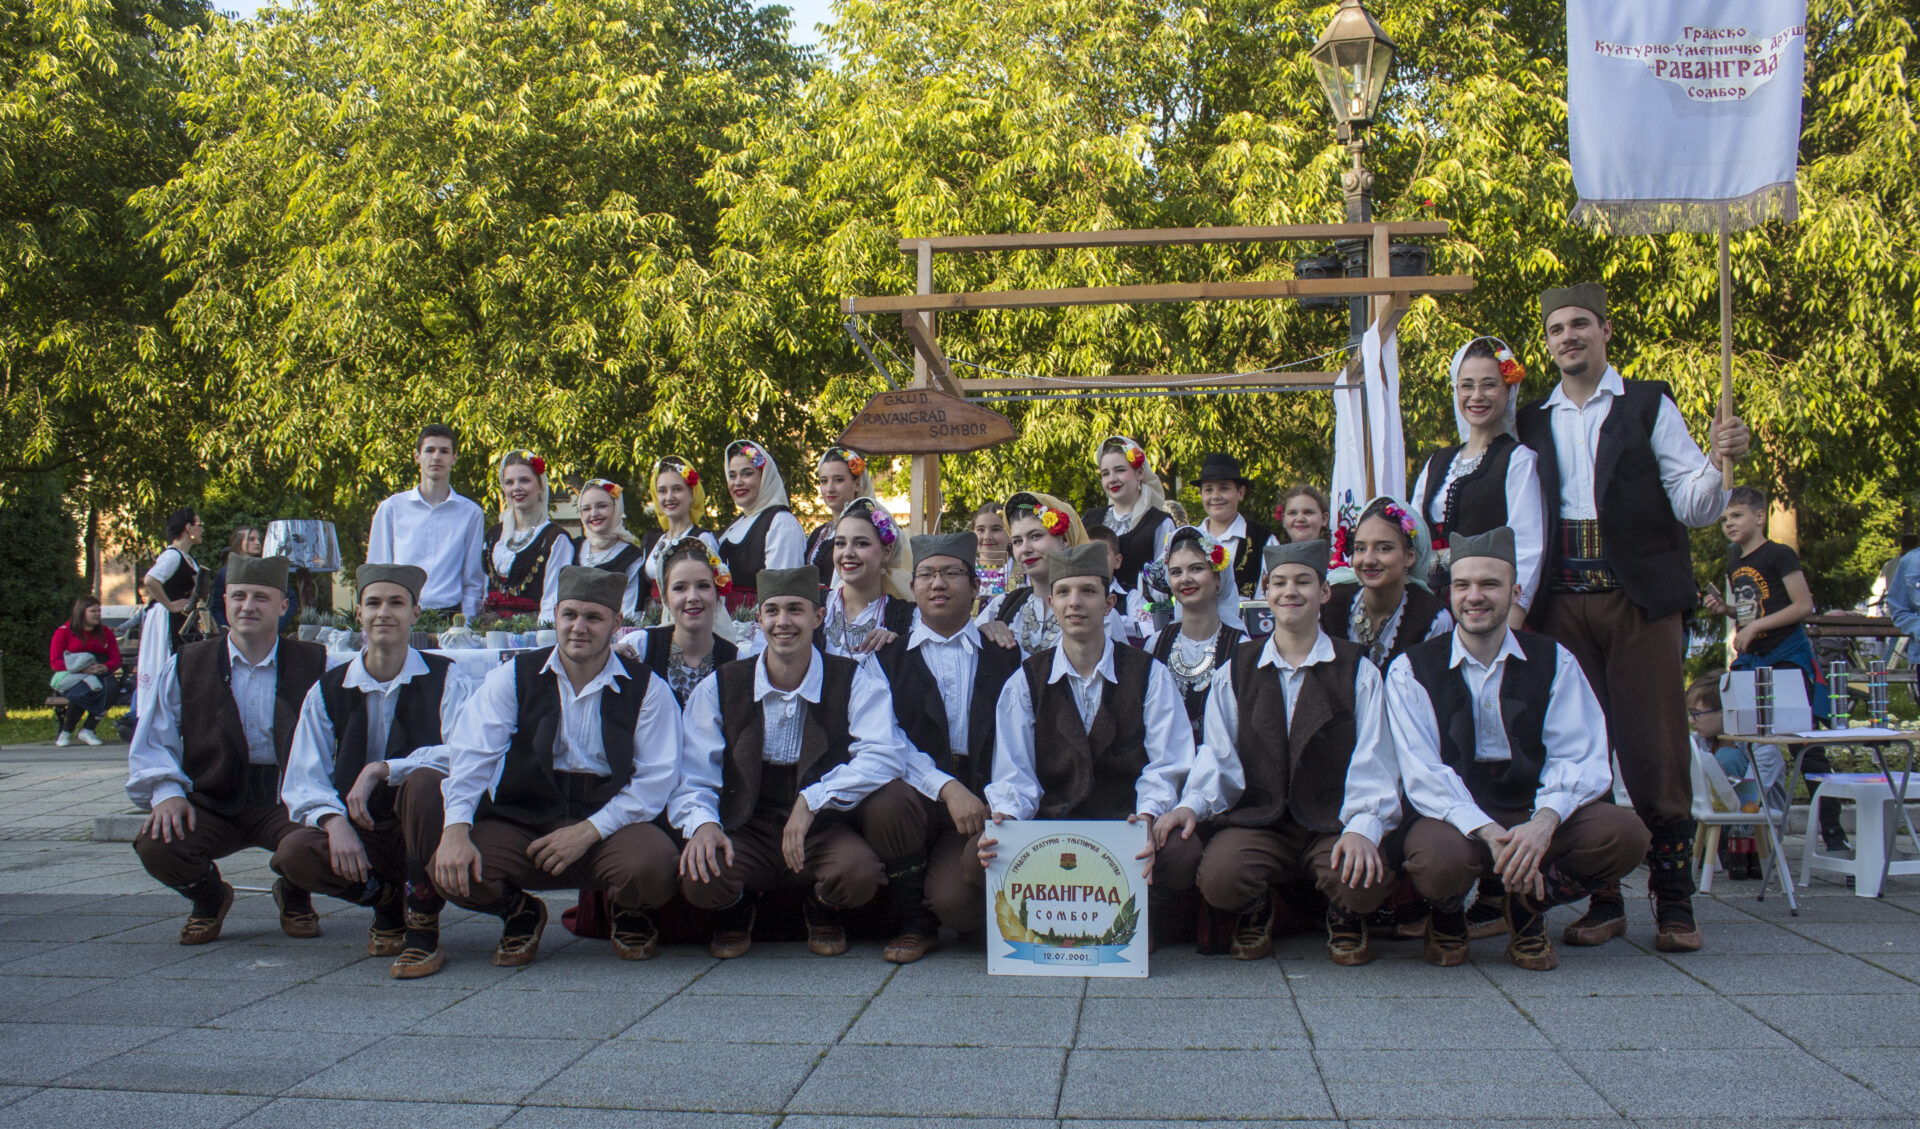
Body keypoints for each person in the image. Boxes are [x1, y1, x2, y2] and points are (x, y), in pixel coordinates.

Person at [1515, 281, 1750, 953]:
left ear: (1605, 330)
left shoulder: (1647, 402)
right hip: (1561, 604)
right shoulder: (1531, 421)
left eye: (1580, 324)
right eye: (1557, 328)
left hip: (1638, 599)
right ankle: (1603, 899)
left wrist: (1723, 463)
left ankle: (1675, 903)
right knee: (1578, 748)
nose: (1568, 336)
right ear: (1548, 342)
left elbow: (1695, 504)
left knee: (1655, 747)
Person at [1387, 527, 1652, 971]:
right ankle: (1447, 913)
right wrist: (1488, 832)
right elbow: (1423, 771)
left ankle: (1528, 903)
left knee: (1624, 835)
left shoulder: (1555, 660)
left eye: (1490, 584)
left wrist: (1544, 824)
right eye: (1463, 585)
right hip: (1454, 813)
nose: (1475, 596)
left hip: (1532, 804)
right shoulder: (1411, 669)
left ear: (1514, 591)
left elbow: (1578, 755)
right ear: (1450, 593)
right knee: (1436, 861)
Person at [432, 566, 685, 968]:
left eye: (593, 617)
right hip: (527, 818)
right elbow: (472, 756)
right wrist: (456, 829)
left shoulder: (647, 688)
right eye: (570, 615)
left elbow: (656, 780)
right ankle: (519, 912)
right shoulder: (513, 677)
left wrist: (588, 831)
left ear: (616, 623)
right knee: (450, 867)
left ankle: (629, 910)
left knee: (654, 864)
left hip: (609, 823)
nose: (578, 627)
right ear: (555, 616)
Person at [671, 567, 919, 959]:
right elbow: (694, 772)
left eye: (795, 610)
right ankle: (735, 909)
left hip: (820, 828)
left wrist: (812, 800)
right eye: (772, 611)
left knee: (858, 874)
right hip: (747, 826)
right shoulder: (721, 685)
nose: (783, 622)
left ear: (818, 617)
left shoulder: (852, 679)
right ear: (759, 619)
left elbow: (885, 754)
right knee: (700, 874)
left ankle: (821, 906)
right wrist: (703, 823)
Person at [975, 543, 1205, 944]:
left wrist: (1147, 817)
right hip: (1052, 825)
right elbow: (1015, 772)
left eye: (1088, 591)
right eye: (1063, 592)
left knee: (1182, 851)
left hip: (1125, 823)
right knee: (975, 859)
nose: (1075, 603)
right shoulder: (1026, 681)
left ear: (1109, 602)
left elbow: (1168, 762)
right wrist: (1006, 822)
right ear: (1051, 602)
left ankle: (1146, 918)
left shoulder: (1149, 674)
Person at [1191, 539, 1401, 964]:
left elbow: (1375, 758)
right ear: (1266, 592)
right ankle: (1257, 908)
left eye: (1303, 582)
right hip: (1262, 822)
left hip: (1331, 822)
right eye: (1280, 582)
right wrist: (1191, 807)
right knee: (1219, 877)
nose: (1291, 592)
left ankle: (1343, 914)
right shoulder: (1236, 670)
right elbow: (1219, 760)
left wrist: (1363, 827)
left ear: (1324, 592)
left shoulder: (1357, 671)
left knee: (1363, 881)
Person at [274, 564, 469, 977]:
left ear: (415, 613)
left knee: (424, 782)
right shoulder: (328, 688)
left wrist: (383, 769)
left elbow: (466, 754)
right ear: (359, 612)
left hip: (423, 829)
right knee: (294, 853)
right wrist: (333, 822)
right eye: (374, 603)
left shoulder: (446, 677)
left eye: (396, 603)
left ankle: (423, 925)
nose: (384, 612)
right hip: (362, 830)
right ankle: (386, 902)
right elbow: (304, 775)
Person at [126, 554, 328, 944]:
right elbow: (154, 739)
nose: (247, 606)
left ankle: (295, 893)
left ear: (283, 606)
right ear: (225, 602)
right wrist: (167, 793)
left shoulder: (316, 662)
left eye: (261, 597)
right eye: (238, 596)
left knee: (319, 842)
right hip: (212, 795)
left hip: (287, 797)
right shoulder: (187, 663)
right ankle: (209, 897)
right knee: (158, 844)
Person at [872, 532, 1023, 961]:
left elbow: (1020, 738)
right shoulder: (886, 655)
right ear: (913, 586)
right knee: (886, 803)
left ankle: (946, 907)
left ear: (975, 586)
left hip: (981, 796)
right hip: (917, 796)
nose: (938, 583)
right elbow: (885, 739)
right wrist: (945, 787)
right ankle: (913, 922)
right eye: (927, 574)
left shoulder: (1005, 652)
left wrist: (996, 799)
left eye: (951, 573)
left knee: (958, 906)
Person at [1701, 485, 1845, 851]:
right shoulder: (1734, 563)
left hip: (1786, 655)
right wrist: (1727, 610)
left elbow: (1802, 605)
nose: (1729, 524)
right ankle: (1743, 830)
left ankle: (1834, 834)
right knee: (1740, 736)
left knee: (1803, 744)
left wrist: (1755, 627)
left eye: (1736, 515)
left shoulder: (1780, 554)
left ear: (1759, 516)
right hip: (1753, 659)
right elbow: (1752, 609)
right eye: (1724, 519)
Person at [1411, 337, 1546, 628]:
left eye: (1489, 385)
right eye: (1467, 385)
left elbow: (1527, 547)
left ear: (1508, 390)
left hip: (1485, 607)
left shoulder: (1517, 460)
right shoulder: (1437, 461)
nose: (1477, 395)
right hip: (1429, 608)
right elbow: (1412, 534)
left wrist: (1512, 621)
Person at [978, 492, 1126, 655]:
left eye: (1036, 536)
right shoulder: (1003, 606)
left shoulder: (1099, 614)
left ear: (1065, 541)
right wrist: (983, 632)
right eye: (1017, 541)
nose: (1025, 549)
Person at [366, 423, 487, 618]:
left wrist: (467, 624)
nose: (436, 457)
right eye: (430, 450)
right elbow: (377, 572)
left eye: (444, 451)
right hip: (400, 613)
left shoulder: (471, 513)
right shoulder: (392, 508)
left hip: (450, 615)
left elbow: (472, 578)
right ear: (417, 456)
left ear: (454, 458)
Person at [1323, 496, 1452, 670]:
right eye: (1360, 548)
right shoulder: (1330, 604)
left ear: (1409, 557)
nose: (1368, 560)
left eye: (1384, 548)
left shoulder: (1434, 619)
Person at [1143, 528, 1246, 742]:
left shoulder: (1240, 648)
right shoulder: (1156, 644)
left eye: (1196, 569)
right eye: (1176, 572)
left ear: (1218, 577)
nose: (1185, 579)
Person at [1684, 676, 1787, 881]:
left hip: (1752, 831)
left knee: (1725, 758)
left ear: (1725, 712)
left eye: (1696, 714)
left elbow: (1750, 798)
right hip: (1712, 818)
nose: (1691, 720)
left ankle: (1721, 846)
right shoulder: (1703, 741)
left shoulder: (1762, 746)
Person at [637, 538, 740, 704]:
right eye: (680, 588)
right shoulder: (640, 648)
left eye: (703, 586)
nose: (692, 597)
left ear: (717, 594)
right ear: (665, 598)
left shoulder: (736, 660)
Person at [482, 450, 575, 622]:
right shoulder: (493, 535)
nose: (516, 487)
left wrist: (542, 632)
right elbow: (481, 588)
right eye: (509, 482)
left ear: (540, 486)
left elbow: (552, 601)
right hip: (489, 631)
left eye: (524, 480)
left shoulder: (555, 538)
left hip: (532, 632)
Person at [717, 438, 806, 610]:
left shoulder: (781, 522)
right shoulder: (740, 521)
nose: (738, 482)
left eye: (747, 474)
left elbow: (782, 590)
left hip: (756, 623)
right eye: (732, 475)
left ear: (764, 477)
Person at [821, 498, 916, 658]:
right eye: (840, 543)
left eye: (861, 544)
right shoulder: (815, 607)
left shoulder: (908, 618)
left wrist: (897, 647)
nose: (848, 553)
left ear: (886, 552)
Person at [1082, 435, 1174, 591]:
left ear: (1139, 473)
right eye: (1105, 473)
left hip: (1144, 606)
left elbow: (1168, 578)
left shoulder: (1160, 523)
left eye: (1120, 470)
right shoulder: (1090, 519)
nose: (1112, 479)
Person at [1196, 452, 1276, 630]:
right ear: (1200, 494)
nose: (1216, 496)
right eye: (1208, 490)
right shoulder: (1190, 539)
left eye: (1224, 488)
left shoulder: (1263, 540)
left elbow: (1272, 595)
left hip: (1250, 633)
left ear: (1240, 492)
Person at [640, 455, 721, 608]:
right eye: (662, 491)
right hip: (651, 617)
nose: (669, 497)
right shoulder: (652, 540)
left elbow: (712, 590)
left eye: (677, 489)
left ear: (691, 494)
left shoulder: (702, 539)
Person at [50, 596, 124, 747]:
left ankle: (88, 729)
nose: (97, 614)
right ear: (81, 613)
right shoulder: (64, 632)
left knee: (110, 689)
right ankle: (67, 730)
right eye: (93, 611)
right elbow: (55, 662)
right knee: (82, 691)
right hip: (75, 674)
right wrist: (81, 669)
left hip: (101, 672)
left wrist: (105, 667)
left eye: (99, 611)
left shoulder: (105, 632)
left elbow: (116, 659)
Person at [573, 478, 646, 618]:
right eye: (586, 509)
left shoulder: (631, 557)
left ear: (616, 508)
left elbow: (629, 615)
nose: (594, 513)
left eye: (601, 506)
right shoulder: (573, 548)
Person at [805, 447, 874, 585]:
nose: (829, 488)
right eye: (824, 481)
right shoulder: (820, 533)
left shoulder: (868, 528)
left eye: (838, 480)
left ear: (857, 484)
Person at [210, 526, 300, 633]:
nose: (257, 543)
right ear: (239, 542)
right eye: (251, 539)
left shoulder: (269, 569)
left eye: (258, 539)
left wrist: (275, 626)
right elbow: (217, 607)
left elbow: (291, 600)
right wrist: (228, 631)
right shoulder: (225, 573)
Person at [144, 507, 204, 648]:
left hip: (182, 620)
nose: (202, 530)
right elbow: (150, 580)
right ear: (188, 527)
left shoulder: (187, 557)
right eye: (199, 525)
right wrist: (170, 605)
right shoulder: (173, 556)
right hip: (170, 622)